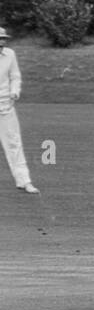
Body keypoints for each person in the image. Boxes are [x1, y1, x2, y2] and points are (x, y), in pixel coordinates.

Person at [0, 26, 39, 194]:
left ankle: (24, 181)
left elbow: (15, 76)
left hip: (5, 106)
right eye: (0, 38)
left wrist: (15, 92)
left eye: (4, 38)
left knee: (14, 143)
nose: (3, 41)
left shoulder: (10, 54)